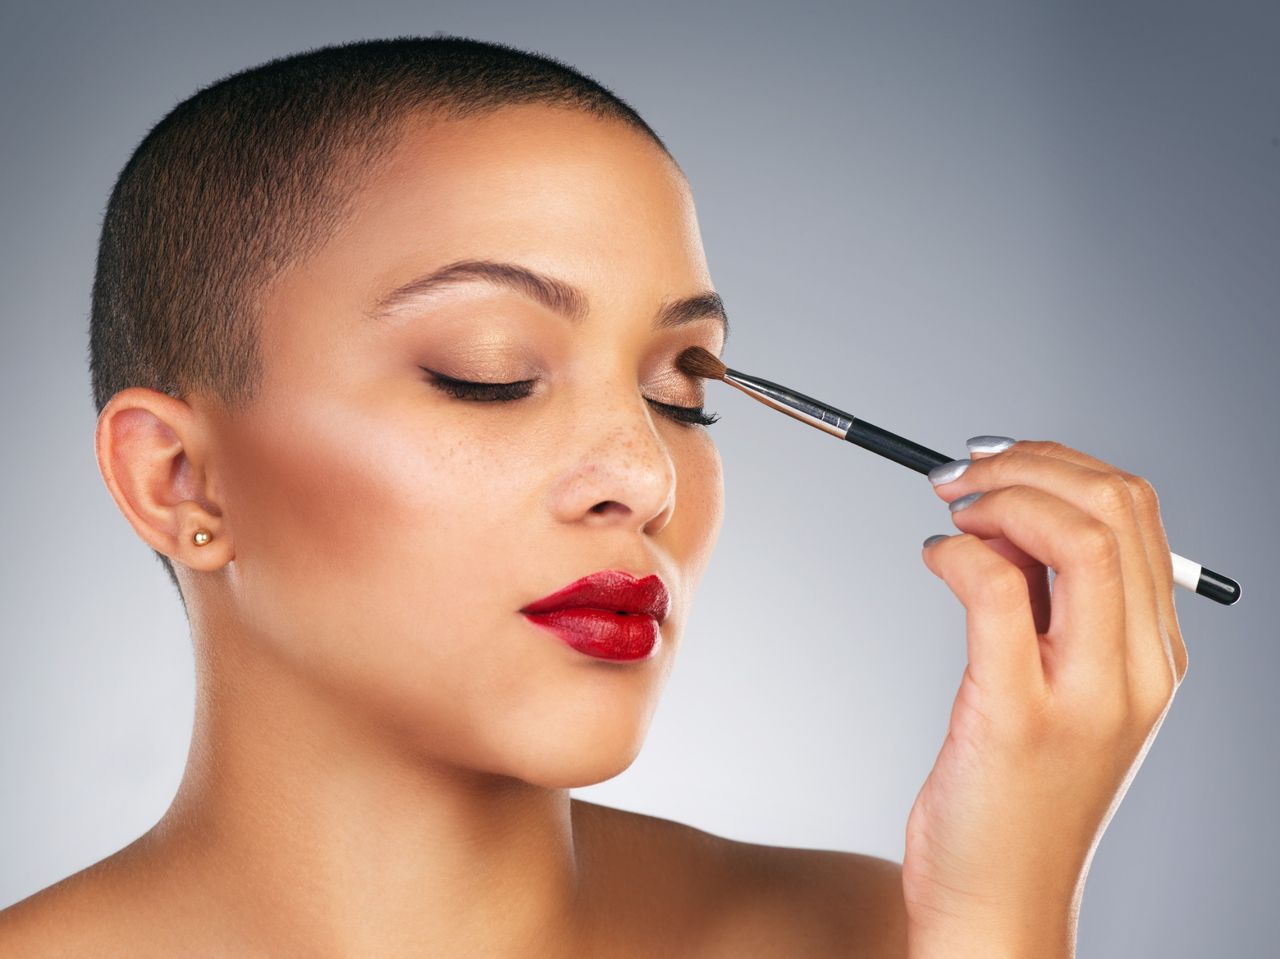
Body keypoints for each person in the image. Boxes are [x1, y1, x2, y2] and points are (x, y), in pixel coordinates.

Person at [0, 35, 1187, 958]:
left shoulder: (884, 934)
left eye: (680, 392)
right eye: (488, 372)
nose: (643, 475)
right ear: (180, 480)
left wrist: (1002, 915)